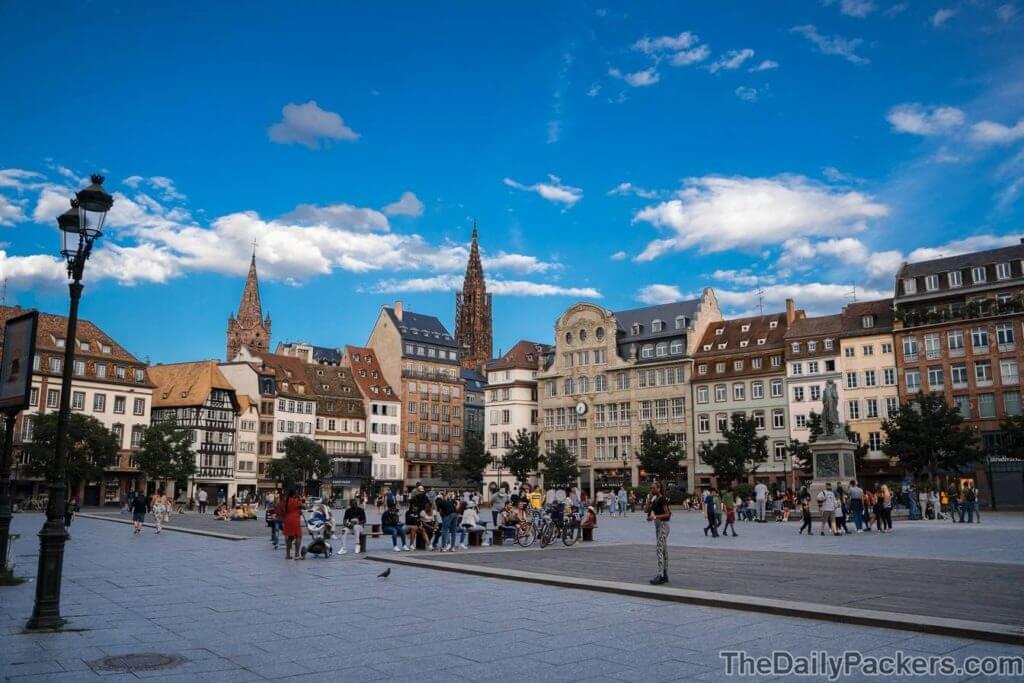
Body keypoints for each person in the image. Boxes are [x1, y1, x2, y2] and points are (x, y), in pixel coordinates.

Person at [645, 481, 672, 585]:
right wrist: (648, 500)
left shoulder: (662, 499)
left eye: (653, 488)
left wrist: (655, 516)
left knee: (659, 549)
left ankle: (660, 575)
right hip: (657, 526)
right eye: (651, 488)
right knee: (663, 549)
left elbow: (667, 514)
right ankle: (665, 575)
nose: (651, 490)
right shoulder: (654, 499)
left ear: (659, 488)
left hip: (664, 525)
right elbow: (645, 510)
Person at [281, 488, 304, 560]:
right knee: (298, 536)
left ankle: (287, 555)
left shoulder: (286, 501)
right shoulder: (295, 501)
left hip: (287, 520)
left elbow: (283, 510)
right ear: (294, 494)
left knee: (290, 537)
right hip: (295, 520)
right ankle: (297, 555)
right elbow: (303, 506)